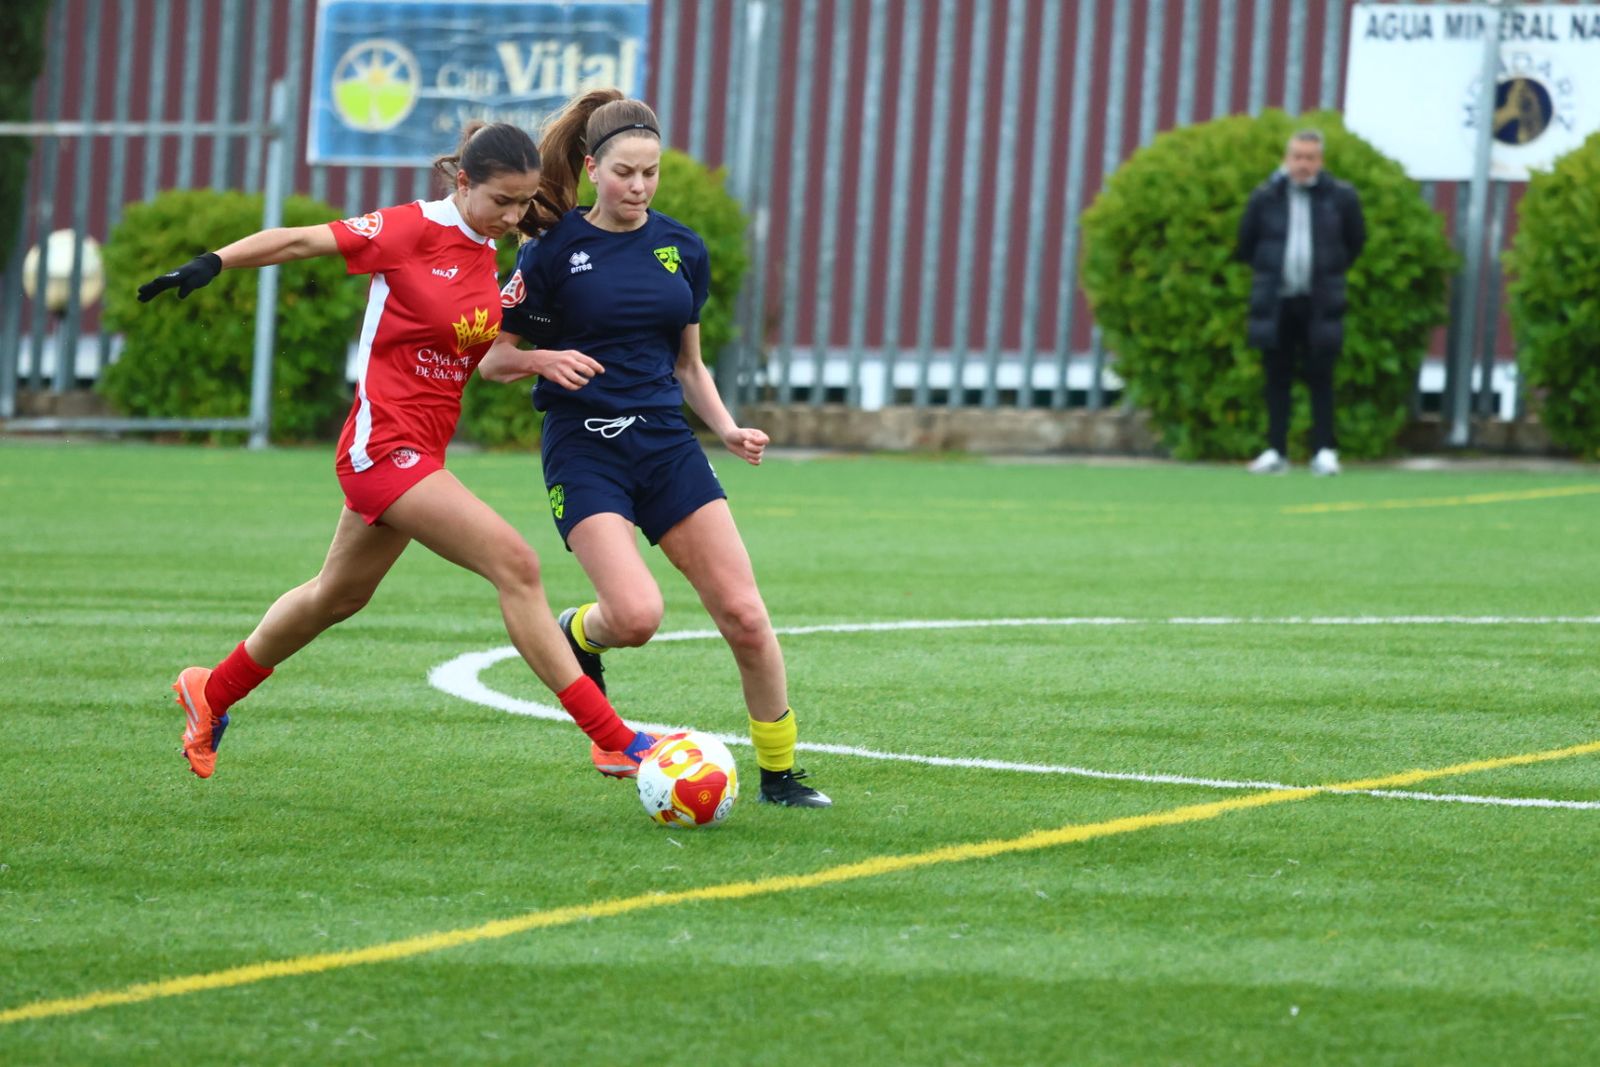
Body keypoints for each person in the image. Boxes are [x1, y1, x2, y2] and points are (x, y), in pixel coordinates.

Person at [138, 122, 656, 780]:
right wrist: (213, 262)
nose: (514, 216)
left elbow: (505, 329)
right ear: (463, 182)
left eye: (523, 203)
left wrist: (542, 352)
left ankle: (209, 692)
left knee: (337, 596)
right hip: (381, 445)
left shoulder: (491, 242)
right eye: (501, 200)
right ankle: (612, 737)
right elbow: (301, 239)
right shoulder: (408, 228)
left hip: (422, 452)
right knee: (516, 564)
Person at [479, 88, 831, 808]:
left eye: (651, 173)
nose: (639, 187)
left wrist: (727, 428)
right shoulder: (552, 250)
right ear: (591, 167)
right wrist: (545, 360)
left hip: (667, 445)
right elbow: (493, 359)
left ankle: (780, 773)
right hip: (585, 449)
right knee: (636, 617)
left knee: (745, 614)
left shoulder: (682, 247)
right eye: (625, 173)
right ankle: (581, 632)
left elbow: (688, 366)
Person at [1235, 128, 1366, 476]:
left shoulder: (1340, 197)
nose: (1302, 164)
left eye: (1310, 157)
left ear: (1320, 161)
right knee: (1275, 377)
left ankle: (1323, 449)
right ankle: (1275, 449)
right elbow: (1246, 244)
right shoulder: (1265, 197)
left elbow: (1355, 242)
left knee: (1320, 376)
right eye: (1297, 156)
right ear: (1286, 157)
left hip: (1320, 303)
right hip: (1276, 302)